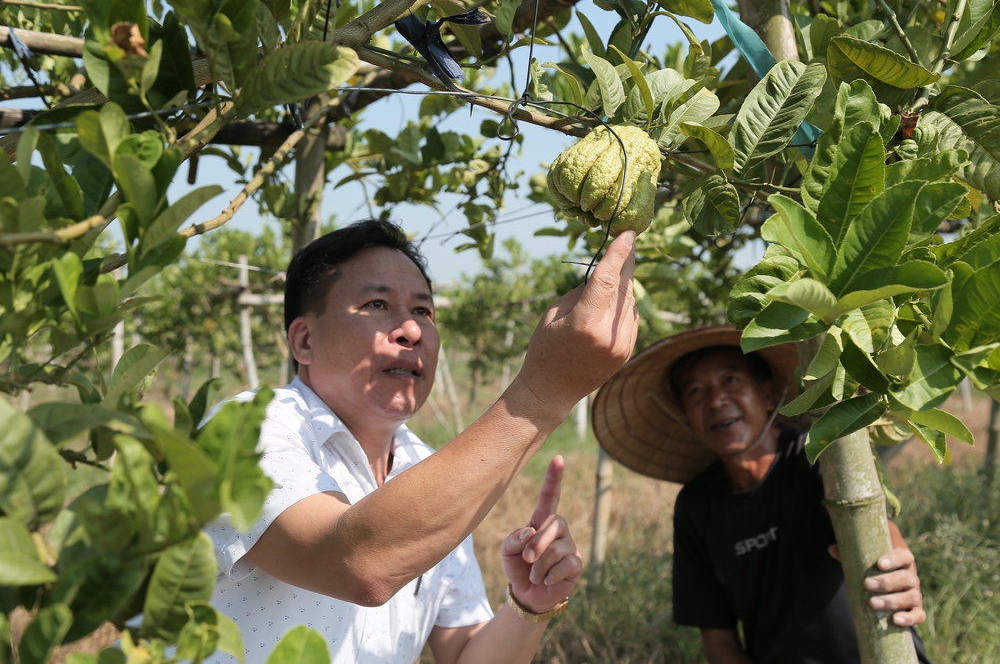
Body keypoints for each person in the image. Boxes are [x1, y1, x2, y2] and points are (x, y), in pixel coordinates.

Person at [204, 220, 639, 664]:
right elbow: (356, 562)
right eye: (377, 304)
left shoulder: (424, 467)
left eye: (422, 311)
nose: (410, 330)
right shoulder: (248, 427)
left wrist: (530, 605)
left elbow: (466, 656)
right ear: (304, 339)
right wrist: (543, 392)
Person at [591, 325, 931, 664]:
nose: (715, 400)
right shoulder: (697, 506)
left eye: (731, 381)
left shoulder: (817, 458)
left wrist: (899, 569)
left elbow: (884, 538)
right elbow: (718, 638)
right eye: (695, 391)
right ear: (686, 417)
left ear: (768, 394)